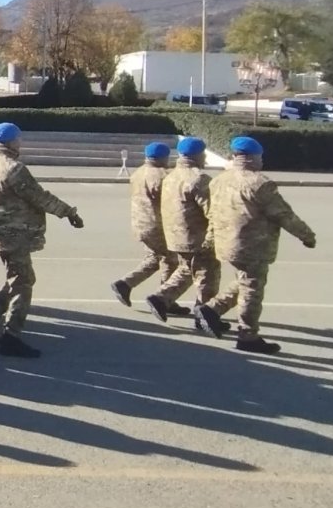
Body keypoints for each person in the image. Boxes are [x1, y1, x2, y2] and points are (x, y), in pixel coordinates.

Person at [194, 136, 317, 354]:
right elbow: (284, 215)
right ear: (254, 157)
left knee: (246, 281)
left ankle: (212, 310)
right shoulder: (260, 183)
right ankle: (247, 336)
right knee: (252, 288)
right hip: (251, 245)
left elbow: (213, 214)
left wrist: (211, 239)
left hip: (226, 242)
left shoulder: (218, 180)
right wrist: (306, 236)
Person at [0, 123, 83, 358]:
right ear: (12, 141)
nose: (20, 143)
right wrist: (69, 212)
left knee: (18, 276)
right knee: (24, 281)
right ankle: (11, 336)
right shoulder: (13, 168)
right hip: (12, 234)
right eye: (18, 139)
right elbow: (39, 197)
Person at [148, 136, 217, 323]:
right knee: (207, 275)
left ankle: (161, 298)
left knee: (187, 269)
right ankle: (204, 316)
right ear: (198, 155)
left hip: (175, 235)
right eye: (203, 154)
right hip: (196, 236)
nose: (205, 159)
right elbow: (212, 211)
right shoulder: (199, 178)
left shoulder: (171, 176)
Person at [111, 143, 178, 309]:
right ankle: (164, 299)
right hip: (157, 225)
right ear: (164, 157)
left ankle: (125, 284)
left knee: (154, 258)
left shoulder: (139, 172)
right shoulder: (162, 176)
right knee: (169, 261)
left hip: (140, 223)